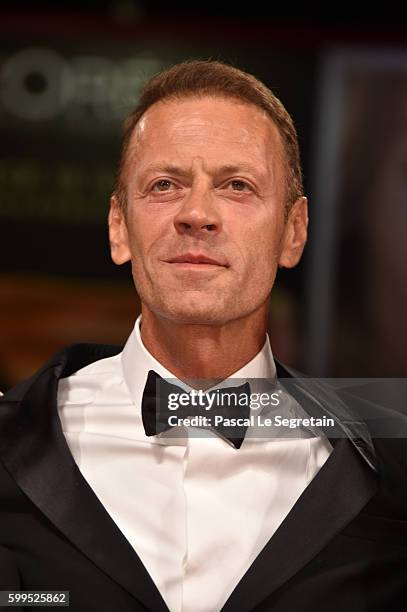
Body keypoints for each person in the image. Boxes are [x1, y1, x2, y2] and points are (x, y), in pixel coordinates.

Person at [0, 60, 406, 612]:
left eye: (237, 186)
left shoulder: (388, 457)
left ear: (293, 233)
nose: (197, 214)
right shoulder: (12, 440)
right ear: (119, 227)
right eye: (165, 185)